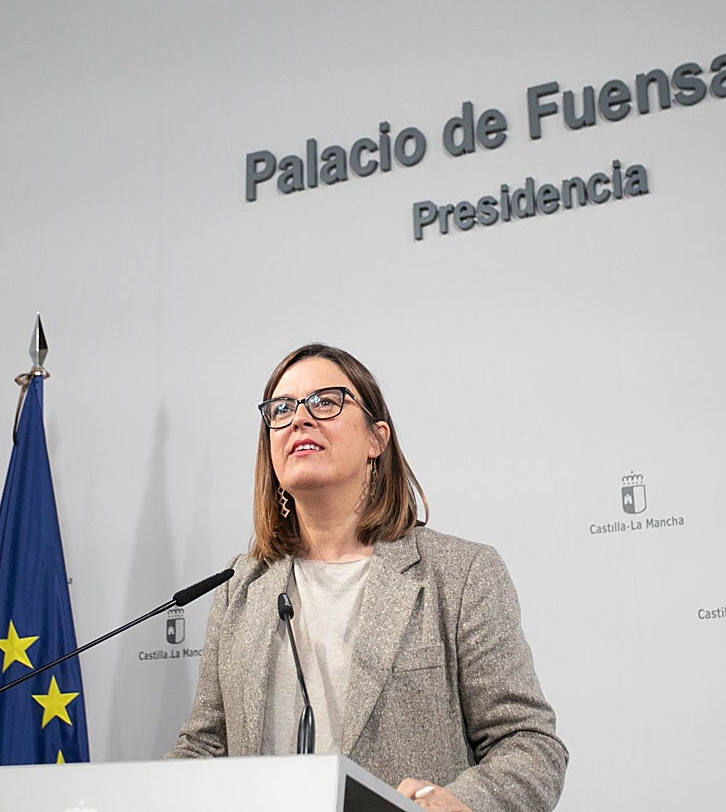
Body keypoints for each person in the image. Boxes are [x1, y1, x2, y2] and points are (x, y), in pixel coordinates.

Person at [167, 343, 568, 812]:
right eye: (282, 408)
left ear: (376, 439)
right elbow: (205, 750)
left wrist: (456, 803)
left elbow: (529, 743)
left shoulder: (460, 575)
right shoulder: (241, 588)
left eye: (326, 401)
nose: (299, 418)